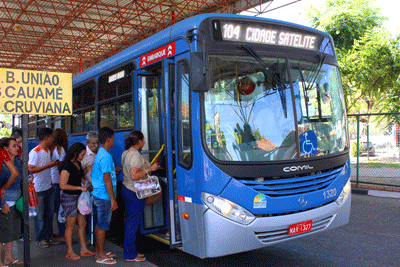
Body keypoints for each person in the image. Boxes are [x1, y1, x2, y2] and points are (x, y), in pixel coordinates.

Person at [121, 131, 161, 262]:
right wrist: (149, 169)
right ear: (139, 141)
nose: (144, 141)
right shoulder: (135, 156)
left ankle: (131, 252)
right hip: (134, 192)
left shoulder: (126, 153)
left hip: (127, 189)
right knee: (132, 224)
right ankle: (130, 255)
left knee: (131, 223)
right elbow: (134, 175)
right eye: (143, 139)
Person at [59, 142, 95, 260]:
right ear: (76, 153)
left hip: (79, 197)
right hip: (69, 197)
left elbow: (79, 176)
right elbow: (62, 185)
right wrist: (79, 187)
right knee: (70, 225)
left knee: (82, 224)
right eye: (82, 154)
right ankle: (69, 251)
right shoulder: (67, 166)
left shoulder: (77, 163)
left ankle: (83, 249)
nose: (83, 157)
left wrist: (85, 178)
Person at [28, 127, 59, 248]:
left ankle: (47, 236)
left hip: (48, 187)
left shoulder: (48, 151)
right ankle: (40, 239)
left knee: (49, 214)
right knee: (40, 215)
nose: (52, 139)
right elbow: (30, 169)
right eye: (51, 137)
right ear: (46, 138)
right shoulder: (35, 152)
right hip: (38, 189)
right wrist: (48, 165)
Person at [91, 127, 118, 265]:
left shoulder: (101, 153)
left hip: (98, 194)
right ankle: (100, 255)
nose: (114, 141)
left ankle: (99, 251)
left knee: (99, 224)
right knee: (102, 226)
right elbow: (107, 179)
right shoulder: (106, 156)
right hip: (104, 197)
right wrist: (113, 199)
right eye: (113, 138)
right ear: (108, 140)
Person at [0, 138, 23, 266]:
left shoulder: (18, 162)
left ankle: (8, 257)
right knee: (2, 232)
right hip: (5, 201)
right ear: (5, 149)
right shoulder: (2, 165)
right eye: (14, 146)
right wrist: (2, 203)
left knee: (12, 231)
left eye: (17, 145)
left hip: (15, 201)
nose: (17, 147)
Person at [81, 131, 99, 244]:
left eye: (97, 143)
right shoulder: (84, 155)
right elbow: (79, 172)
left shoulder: (100, 153)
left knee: (96, 213)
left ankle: (96, 236)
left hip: (97, 187)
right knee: (87, 213)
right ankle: (89, 237)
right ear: (87, 143)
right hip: (86, 188)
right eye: (93, 143)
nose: (96, 146)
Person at [50, 128, 68, 243]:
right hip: (57, 181)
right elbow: (61, 165)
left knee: (52, 210)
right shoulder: (60, 149)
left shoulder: (51, 148)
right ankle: (62, 235)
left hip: (51, 181)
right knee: (60, 210)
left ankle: (50, 233)